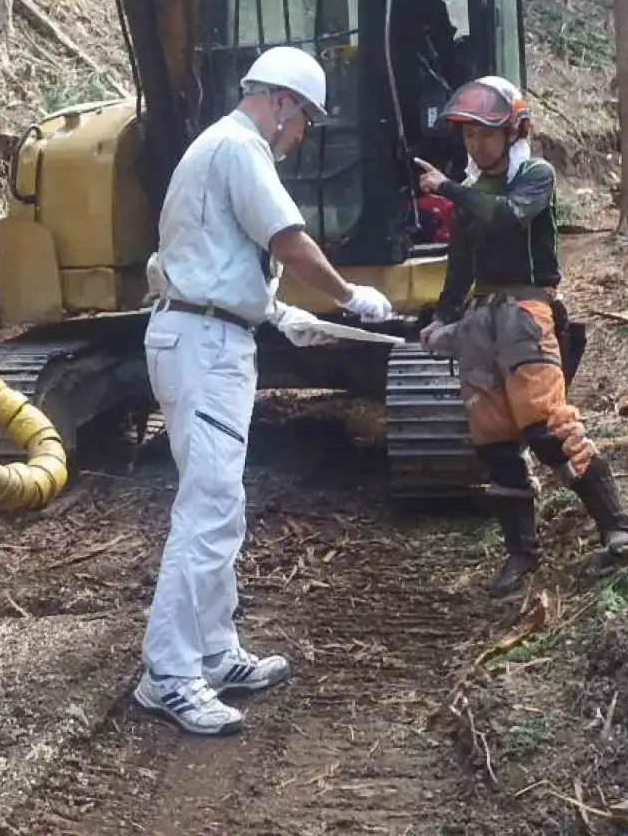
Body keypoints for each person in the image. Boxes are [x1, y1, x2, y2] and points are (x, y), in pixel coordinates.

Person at [133, 46, 393, 737]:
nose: (302, 133)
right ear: (280, 102)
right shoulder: (241, 147)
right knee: (207, 510)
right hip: (204, 347)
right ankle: (168, 674)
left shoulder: (215, 148)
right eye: (304, 118)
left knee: (221, 503)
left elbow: (206, 257)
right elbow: (288, 241)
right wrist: (347, 298)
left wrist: (279, 314)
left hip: (207, 335)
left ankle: (214, 653)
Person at [415, 76, 628, 598]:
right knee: (494, 443)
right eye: (469, 135)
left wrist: (450, 190)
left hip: (527, 309)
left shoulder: (534, 176)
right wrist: (441, 318)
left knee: (546, 427)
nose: (476, 144)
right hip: (479, 319)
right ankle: (521, 554)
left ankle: (619, 527)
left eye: (485, 134)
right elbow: (460, 264)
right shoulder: (471, 189)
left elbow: (507, 215)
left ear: (514, 130)